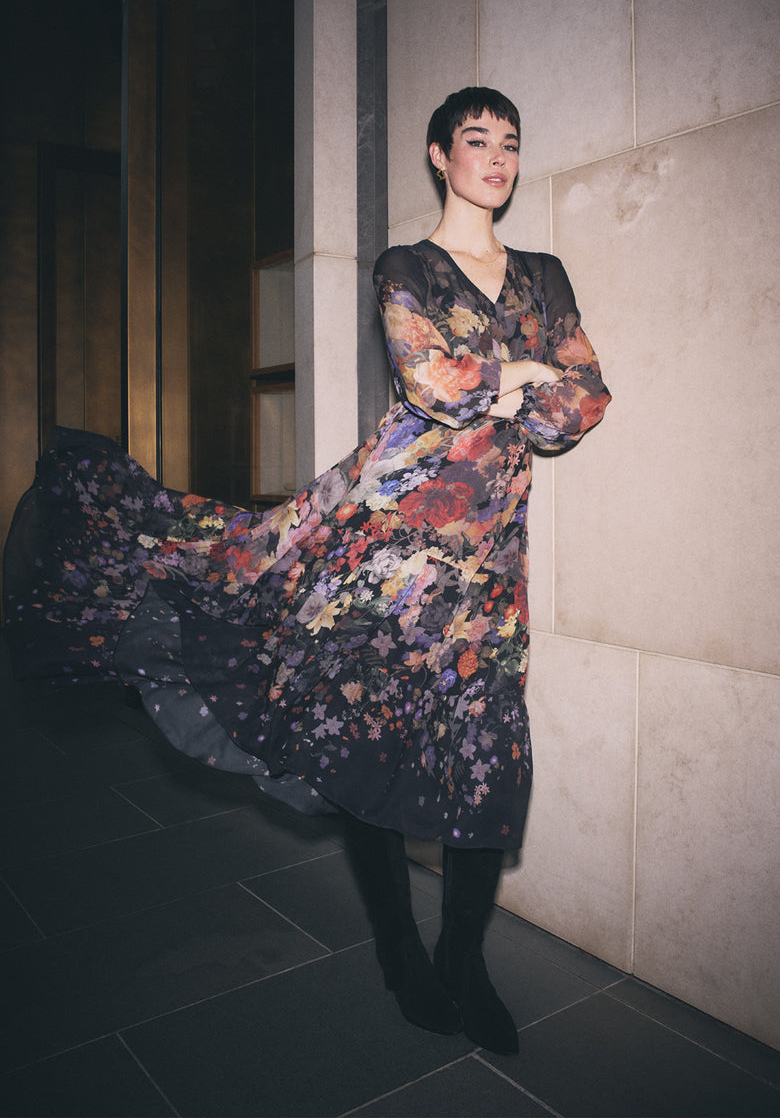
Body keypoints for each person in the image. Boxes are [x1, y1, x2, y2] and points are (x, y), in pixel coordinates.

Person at [2, 87, 610, 1056]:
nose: (495, 158)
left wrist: (514, 388)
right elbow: (430, 380)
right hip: (385, 537)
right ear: (438, 155)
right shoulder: (405, 266)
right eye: (475, 141)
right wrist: (524, 377)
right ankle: (401, 956)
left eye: (509, 143)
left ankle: (462, 959)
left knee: (487, 755)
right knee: (365, 740)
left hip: (489, 559)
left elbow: (582, 400)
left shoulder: (543, 277)